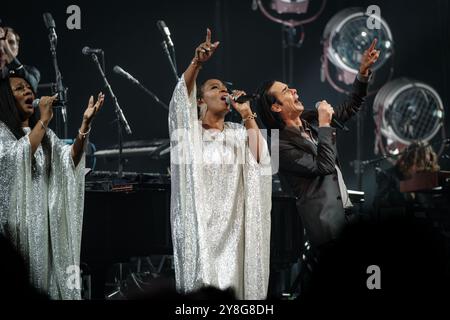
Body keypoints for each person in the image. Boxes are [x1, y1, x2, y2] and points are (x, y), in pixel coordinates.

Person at [169, 28, 272, 300]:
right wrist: (197, 63)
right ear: (200, 101)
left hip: (234, 235)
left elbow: (264, 162)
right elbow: (180, 99)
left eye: (226, 88)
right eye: (215, 88)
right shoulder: (188, 135)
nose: (224, 92)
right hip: (201, 233)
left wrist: (248, 115)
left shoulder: (239, 133)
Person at [255, 39, 380, 253]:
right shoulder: (279, 147)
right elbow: (324, 166)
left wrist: (362, 73)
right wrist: (324, 124)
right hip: (327, 227)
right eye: (286, 90)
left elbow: (350, 107)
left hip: (346, 215)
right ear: (276, 107)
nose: (293, 90)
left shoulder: (308, 123)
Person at [0, 74, 105, 299]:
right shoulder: (2, 133)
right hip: (20, 232)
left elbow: (70, 161)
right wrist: (44, 120)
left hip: (48, 232)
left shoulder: (45, 136)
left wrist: (86, 124)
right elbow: (12, 160)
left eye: (30, 88)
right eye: (20, 89)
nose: (29, 92)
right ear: (7, 99)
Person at [0, 26, 40, 92]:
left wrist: (6, 45)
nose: (5, 46)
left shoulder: (31, 71)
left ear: (17, 48)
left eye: (10, 42)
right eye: (2, 42)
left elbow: (31, 86)